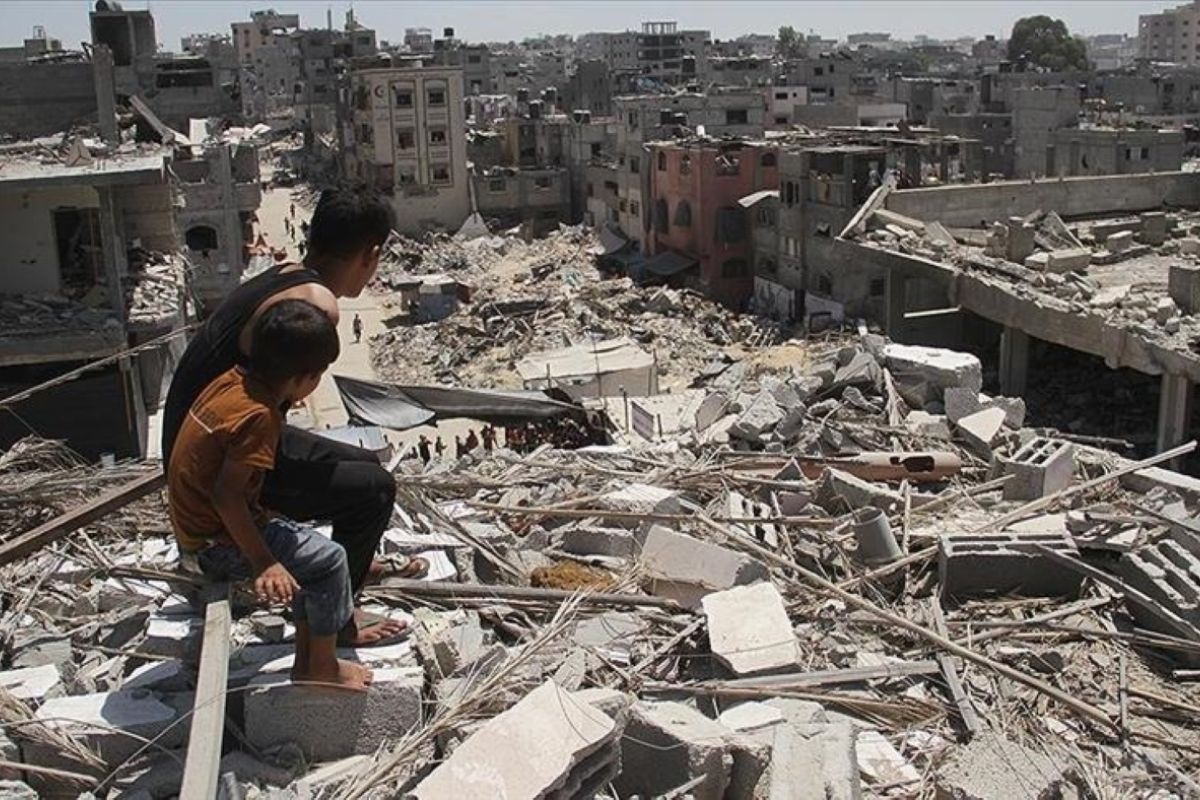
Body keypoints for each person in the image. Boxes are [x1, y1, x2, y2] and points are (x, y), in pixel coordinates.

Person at [162, 188, 409, 647]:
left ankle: (350, 562)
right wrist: (261, 557)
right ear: (371, 254)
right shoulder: (317, 306)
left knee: (363, 465)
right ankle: (339, 621)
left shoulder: (287, 274)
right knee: (373, 491)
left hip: (199, 438)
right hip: (216, 459)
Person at [169, 301, 371, 690]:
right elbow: (226, 495)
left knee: (307, 554)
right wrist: (264, 561)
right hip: (214, 543)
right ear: (302, 379)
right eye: (317, 375)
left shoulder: (230, 382)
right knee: (330, 560)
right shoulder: (259, 415)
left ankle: (307, 660)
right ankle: (323, 666)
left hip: (194, 531)